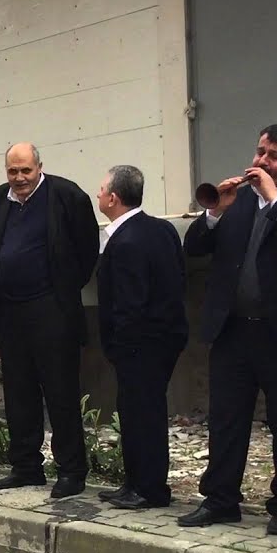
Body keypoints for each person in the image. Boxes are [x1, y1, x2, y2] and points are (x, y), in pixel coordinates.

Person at [178, 123, 277, 535]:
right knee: (227, 420)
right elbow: (195, 248)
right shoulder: (239, 201)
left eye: (274, 156)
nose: (262, 161)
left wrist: (273, 196)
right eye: (261, 152)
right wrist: (215, 212)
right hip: (234, 331)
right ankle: (221, 500)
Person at [0, 142, 99, 498]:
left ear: (39, 167)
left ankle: (71, 471)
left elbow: (87, 249)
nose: (19, 178)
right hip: (11, 311)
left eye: (26, 171)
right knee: (19, 392)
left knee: (60, 391)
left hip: (52, 309)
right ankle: (26, 467)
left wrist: (62, 288)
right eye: (12, 171)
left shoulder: (66, 194)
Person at [93, 165, 188, 509]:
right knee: (137, 412)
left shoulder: (127, 240)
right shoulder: (160, 229)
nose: (99, 194)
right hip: (164, 337)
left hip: (140, 344)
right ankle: (135, 482)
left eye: (102, 189)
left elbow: (130, 301)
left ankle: (149, 488)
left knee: (142, 414)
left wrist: (121, 345)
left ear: (114, 198)